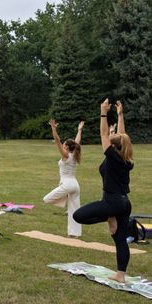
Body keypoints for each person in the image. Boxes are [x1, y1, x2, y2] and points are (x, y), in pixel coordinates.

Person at [73, 99, 133, 283]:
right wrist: (120, 114)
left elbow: (104, 133)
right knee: (120, 239)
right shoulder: (126, 158)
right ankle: (120, 275)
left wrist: (103, 112)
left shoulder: (113, 156)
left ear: (114, 146)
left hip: (112, 202)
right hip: (124, 203)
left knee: (78, 216)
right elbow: (122, 135)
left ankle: (109, 217)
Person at [43, 120, 84, 238]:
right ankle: (74, 234)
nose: (63, 145)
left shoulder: (66, 156)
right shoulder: (75, 154)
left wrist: (53, 128)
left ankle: (63, 200)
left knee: (46, 199)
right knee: (74, 210)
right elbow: (77, 142)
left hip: (67, 185)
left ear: (66, 147)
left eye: (64, 144)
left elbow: (57, 140)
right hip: (75, 185)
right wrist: (79, 130)